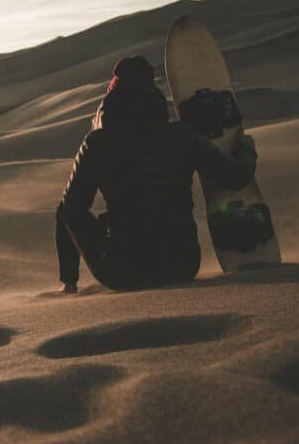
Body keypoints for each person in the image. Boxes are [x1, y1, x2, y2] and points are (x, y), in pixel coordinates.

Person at [55, 59, 257, 292]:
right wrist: (246, 148)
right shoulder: (182, 136)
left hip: (122, 270)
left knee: (67, 208)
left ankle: (68, 286)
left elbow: (70, 210)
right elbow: (236, 177)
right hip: (182, 265)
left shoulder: (97, 143)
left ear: (112, 98)